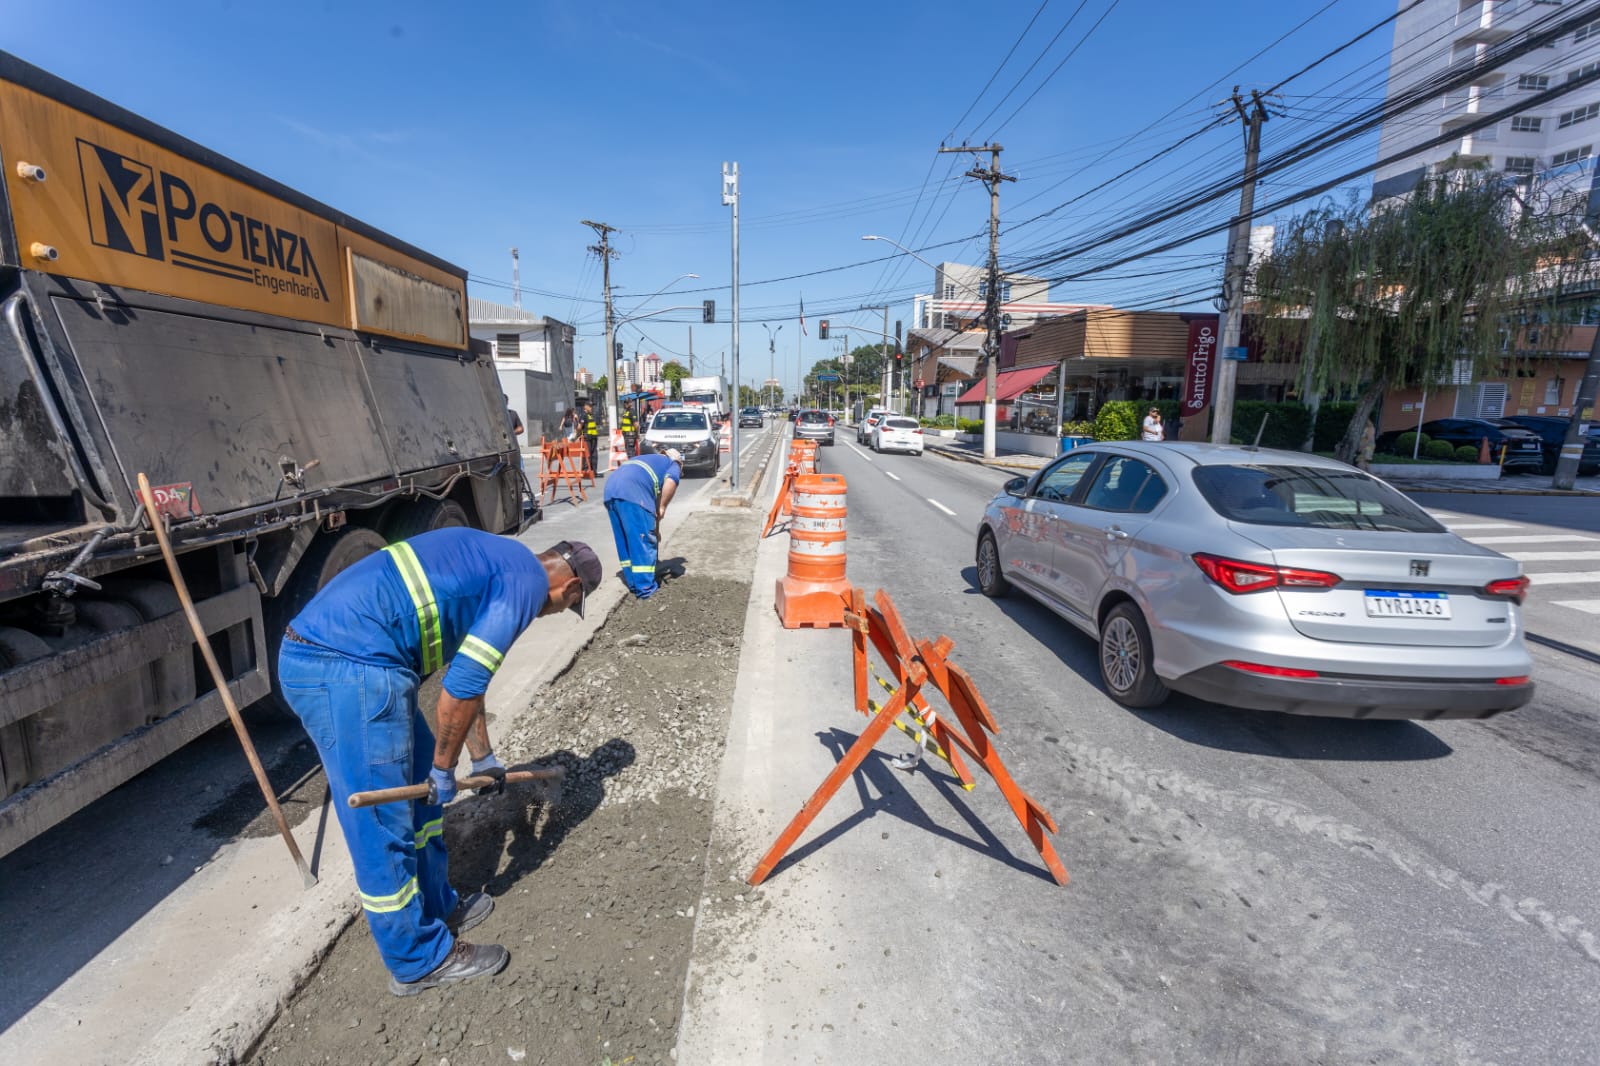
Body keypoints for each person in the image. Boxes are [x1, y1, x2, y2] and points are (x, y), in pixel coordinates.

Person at [277, 530, 603, 996]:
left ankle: (437, 903)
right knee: (381, 826)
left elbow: (468, 672)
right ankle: (417, 958)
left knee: (423, 802)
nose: (555, 613)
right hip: (345, 666)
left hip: (364, 659)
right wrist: (445, 768)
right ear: (570, 589)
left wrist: (482, 757)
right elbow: (460, 689)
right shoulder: (525, 588)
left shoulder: (509, 561)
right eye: (567, 606)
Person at [602, 449, 682, 599]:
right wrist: (663, 506)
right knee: (643, 542)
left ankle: (633, 582)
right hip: (632, 492)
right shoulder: (673, 463)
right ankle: (646, 589)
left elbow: (654, 499)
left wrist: (655, 529)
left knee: (625, 541)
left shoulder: (649, 460)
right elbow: (672, 481)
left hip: (611, 490)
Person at [582, 404, 600, 474]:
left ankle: (593, 471)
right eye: (590, 406)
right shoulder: (583, 415)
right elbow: (580, 427)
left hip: (593, 438)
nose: (591, 408)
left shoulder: (591, 415)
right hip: (587, 438)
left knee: (594, 455)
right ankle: (586, 471)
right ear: (586, 407)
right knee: (587, 454)